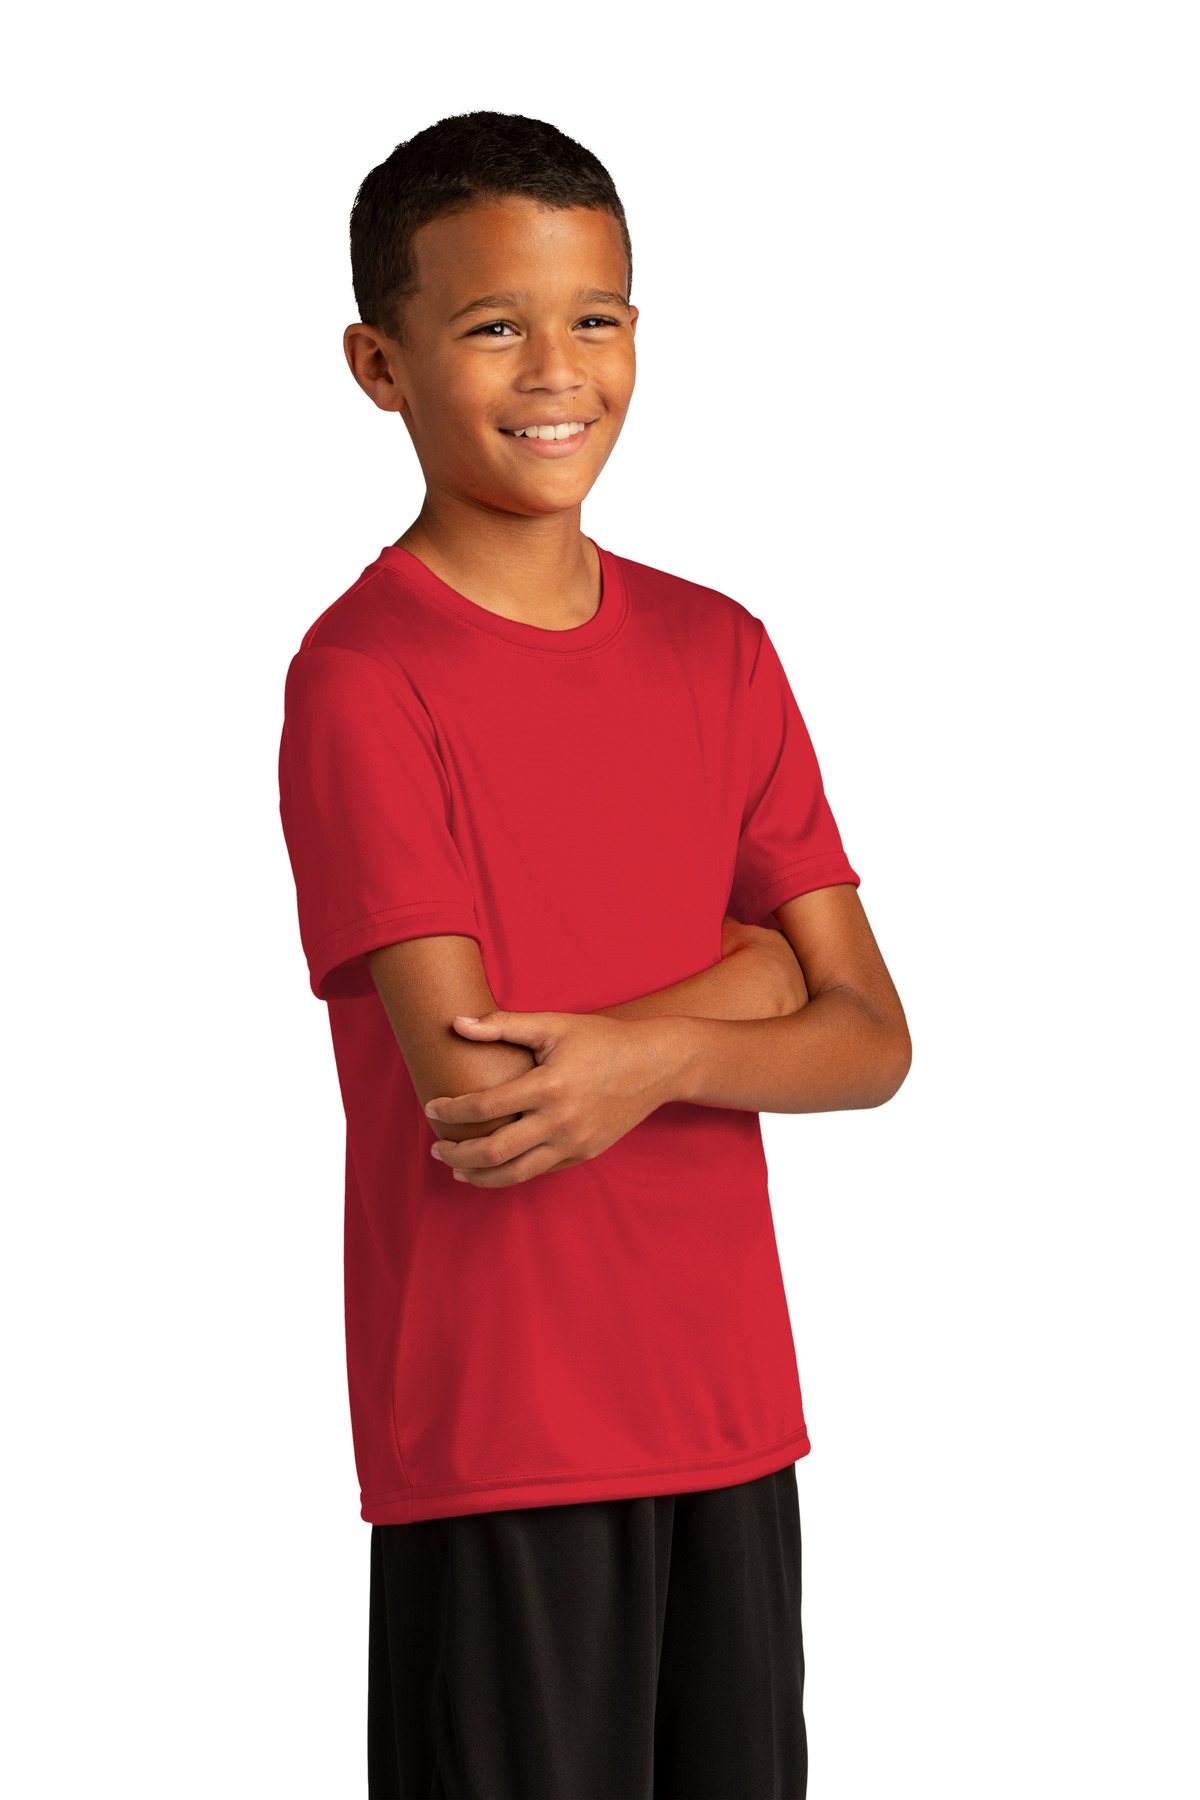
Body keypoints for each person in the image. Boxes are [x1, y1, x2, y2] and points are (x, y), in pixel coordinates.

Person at [277, 110, 911, 1800]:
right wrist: (746, 981)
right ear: (380, 364)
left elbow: (871, 1035)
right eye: (494, 325)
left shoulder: (721, 649)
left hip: (728, 1413)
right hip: (502, 1433)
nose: (557, 370)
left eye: (596, 317)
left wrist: (648, 1050)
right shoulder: (364, 680)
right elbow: (485, 1098)